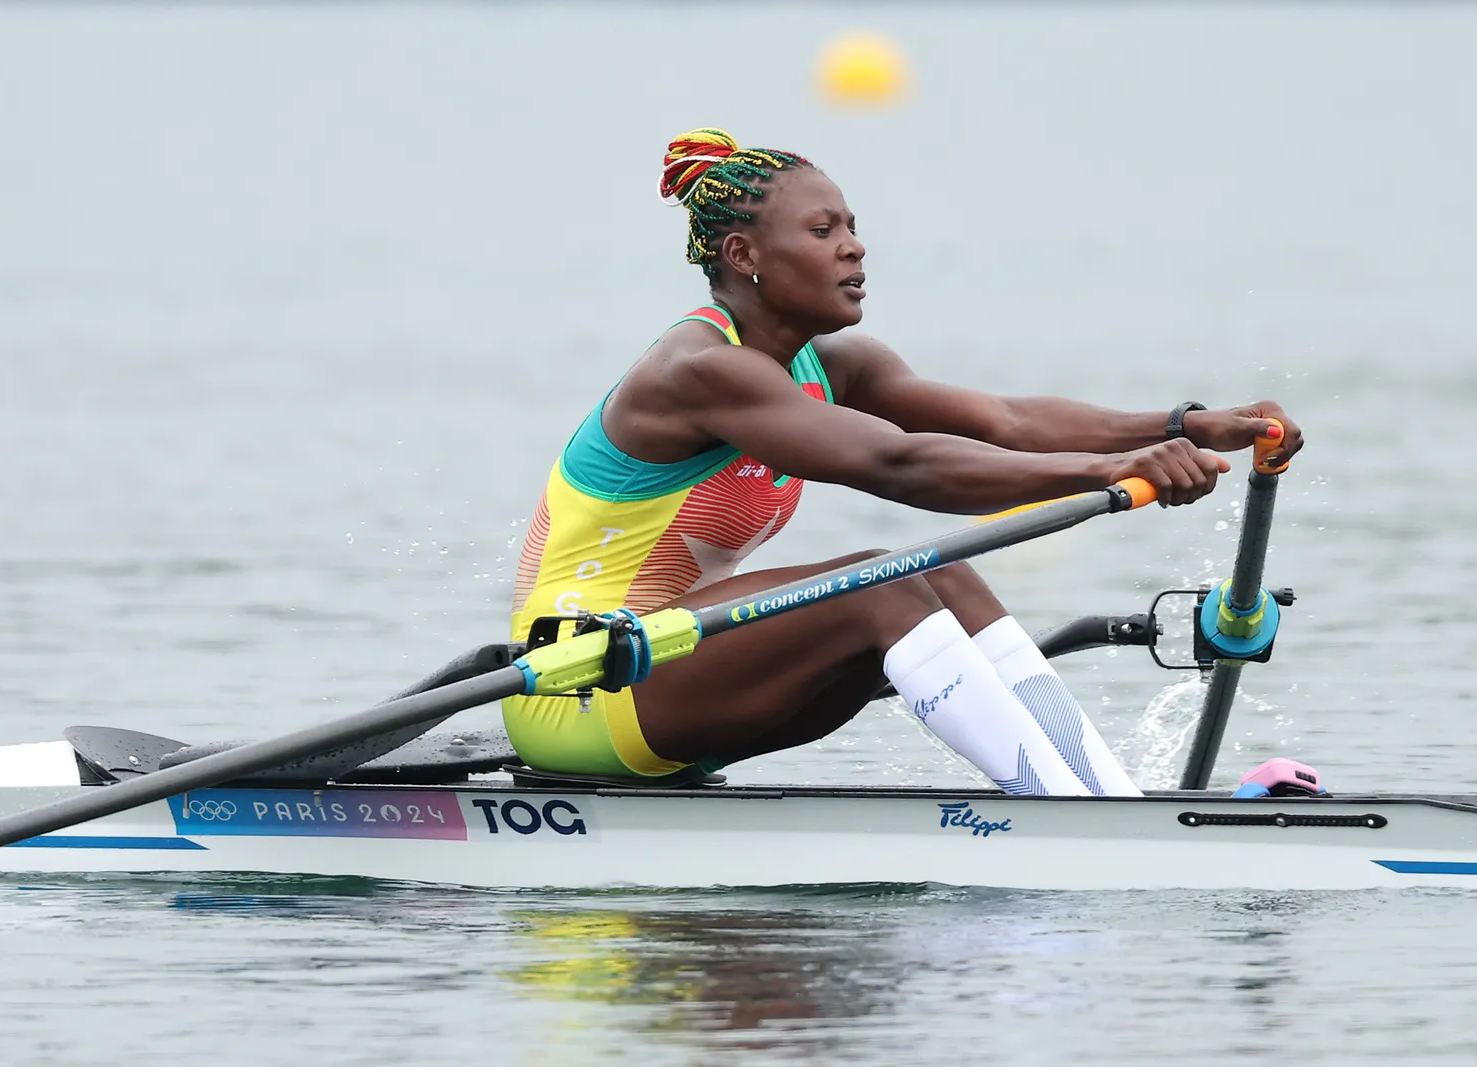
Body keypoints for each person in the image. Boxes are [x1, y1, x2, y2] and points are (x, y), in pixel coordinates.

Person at [502, 127, 1303, 795]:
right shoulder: (698, 370)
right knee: (878, 584)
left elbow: (1005, 419)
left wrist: (1186, 424)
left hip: (677, 671)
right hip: (582, 687)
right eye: (823, 232)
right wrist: (1109, 470)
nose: (854, 247)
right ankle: (1068, 815)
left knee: (943, 578)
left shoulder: (834, 364)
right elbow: (900, 467)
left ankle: (1105, 802)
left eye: (850, 226)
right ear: (745, 253)